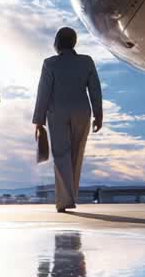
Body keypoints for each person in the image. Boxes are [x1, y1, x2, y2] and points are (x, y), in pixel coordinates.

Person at [32, 27, 102, 212]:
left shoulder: (50, 63)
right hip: (81, 110)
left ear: (57, 43)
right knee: (76, 153)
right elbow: (95, 89)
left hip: (58, 112)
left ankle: (65, 200)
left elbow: (43, 93)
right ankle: (70, 196)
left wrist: (39, 120)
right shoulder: (86, 61)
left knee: (61, 154)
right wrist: (98, 114)